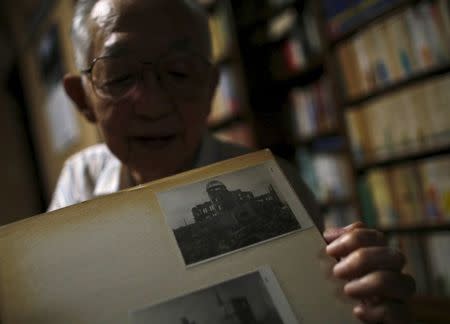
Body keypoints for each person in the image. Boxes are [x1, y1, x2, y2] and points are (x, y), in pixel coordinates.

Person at [50, 0, 416, 322]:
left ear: (211, 88)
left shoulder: (275, 185)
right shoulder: (78, 183)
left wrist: (363, 303)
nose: (152, 103)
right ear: (82, 99)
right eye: (120, 75)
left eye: (179, 72)